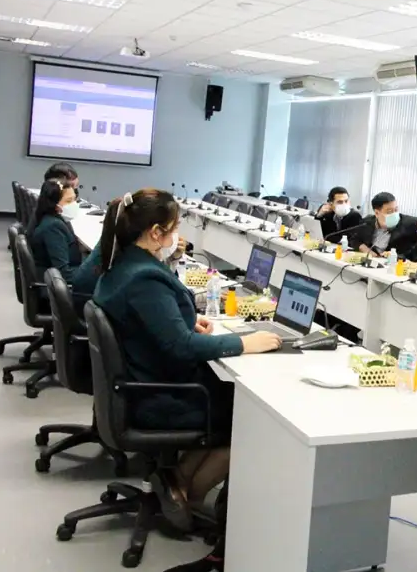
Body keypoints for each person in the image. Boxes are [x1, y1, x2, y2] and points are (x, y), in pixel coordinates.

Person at [92, 188, 282, 537]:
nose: (178, 234)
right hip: (160, 395)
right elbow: (180, 347)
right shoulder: (145, 278)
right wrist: (244, 342)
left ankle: (176, 482)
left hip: (140, 384)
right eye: (175, 226)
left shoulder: (121, 264)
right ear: (155, 232)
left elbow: (146, 322)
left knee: (231, 409)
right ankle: (189, 499)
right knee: (253, 420)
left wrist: (181, 320)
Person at [28, 178, 82, 285]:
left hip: (51, 279)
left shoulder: (49, 218)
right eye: (68, 201)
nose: (74, 204)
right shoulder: (53, 227)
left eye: (74, 199)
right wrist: (95, 273)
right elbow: (64, 274)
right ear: (54, 204)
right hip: (56, 286)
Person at [353, 191, 417, 257]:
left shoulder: (410, 224)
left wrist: (397, 256)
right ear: (377, 213)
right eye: (389, 211)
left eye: (396, 209)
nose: (394, 214)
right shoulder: (367, 222)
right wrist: (365, 249)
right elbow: (354, 239)